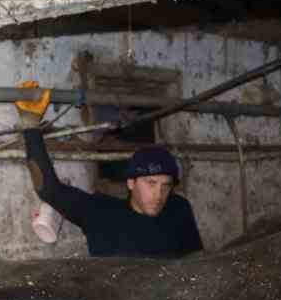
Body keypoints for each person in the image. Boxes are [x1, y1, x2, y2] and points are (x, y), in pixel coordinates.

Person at [17, 87, 204, 258]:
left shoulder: (178, 210)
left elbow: (197, 260)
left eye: (166, 186)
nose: (159, 195)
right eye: (151, 183)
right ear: (131, 182)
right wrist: (30, 125)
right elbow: (48, 189)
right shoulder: (101, 213)